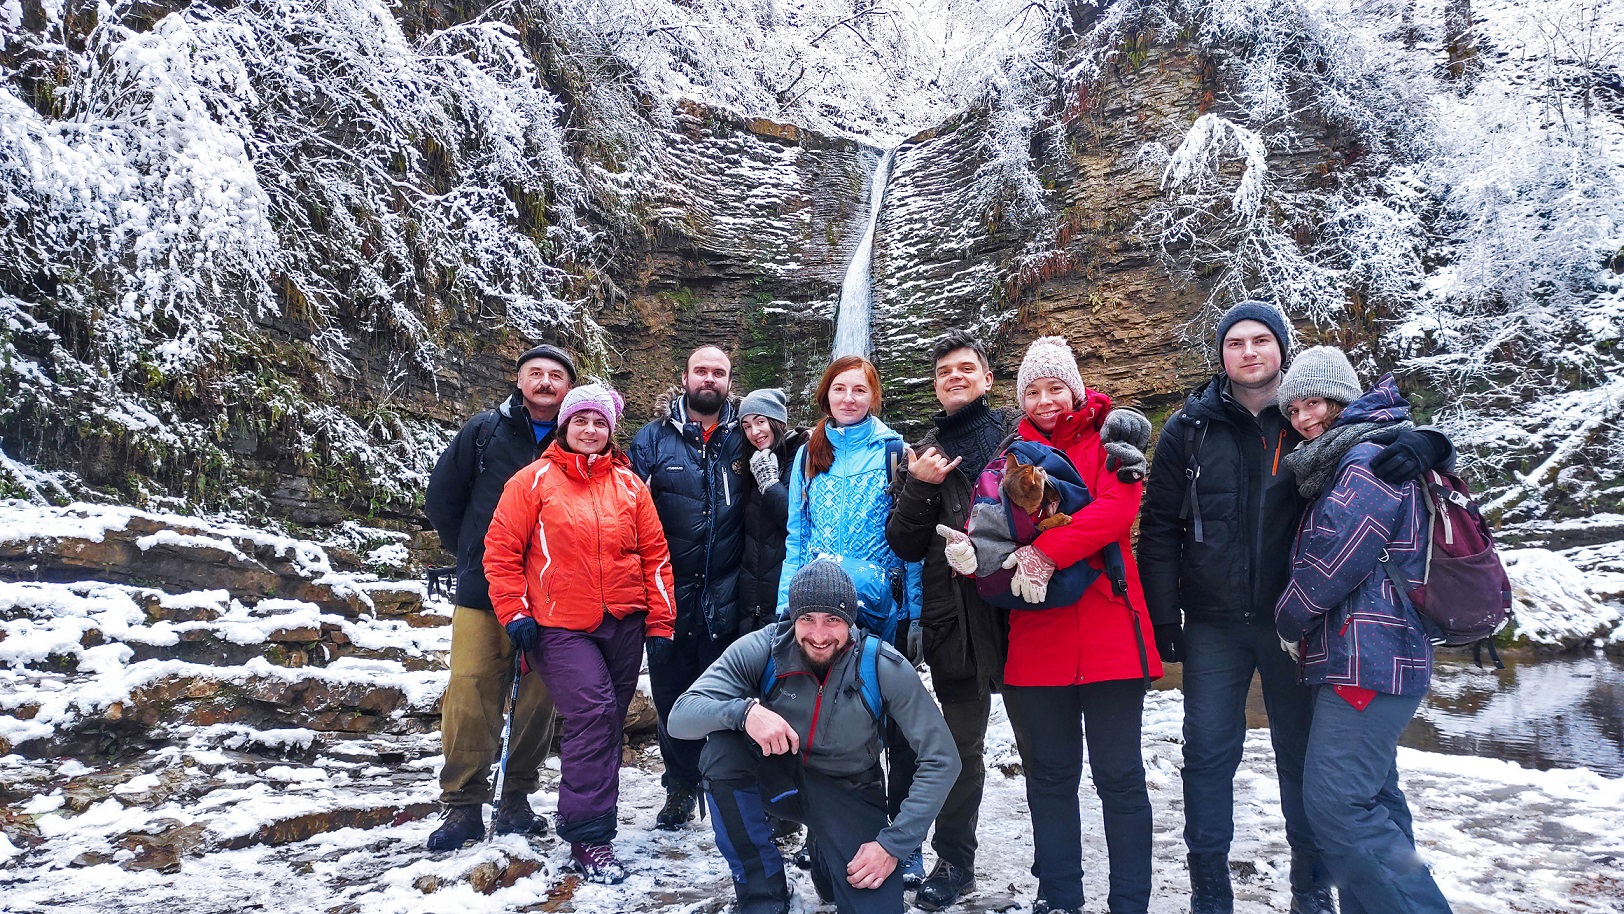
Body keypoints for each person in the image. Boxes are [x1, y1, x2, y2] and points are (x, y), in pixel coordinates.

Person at [1137, 302, 1452, 914]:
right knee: (1207, 755)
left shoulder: (1308, 421)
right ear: (1221, 355)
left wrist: (1431, 444)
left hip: (1301, 624)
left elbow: (1380, 439)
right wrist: (1164, 615)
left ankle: (1312, 890)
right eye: (1234, 342)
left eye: (1261, 340)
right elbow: (1158, 529)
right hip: (1213, 622)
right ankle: (1209, 889)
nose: (1248, 351)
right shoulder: (1190, 428)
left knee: (1304, 760)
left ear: (1282, 349)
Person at [885, 330, 1152, 911]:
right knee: (974, 753)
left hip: (1045, 617)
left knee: (1066, 765)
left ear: (988, 379)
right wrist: (921, 487)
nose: (955, 378)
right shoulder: (926, 452)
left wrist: (1046, 551)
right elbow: (905, 542)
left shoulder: (1029, 435)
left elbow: (1109, 506)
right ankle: (971, 864)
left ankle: (1072, 881)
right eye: (944, 372)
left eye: (966, 368)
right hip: (967, 620)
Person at [669, 560, 961, 914]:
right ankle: (765, 894)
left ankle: (825, 851)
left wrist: (893, 845)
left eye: (832, 620)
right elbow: (681, 716)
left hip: (849, 789)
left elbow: (942, 759)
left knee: (874, 906)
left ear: (850, 621)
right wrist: (744, 713)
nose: (819, 636)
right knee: (722, 751)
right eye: (807, 619)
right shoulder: (765, 648)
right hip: (778, 778)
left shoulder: (882, 666)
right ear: (793, 618)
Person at [1274, 348, 1454, 914]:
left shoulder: (1364, 460)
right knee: (1374, 799)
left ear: (1342, 400)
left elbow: (1333, 560)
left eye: (1314, 404)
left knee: (1338, 806)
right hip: (1380, 653)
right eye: (1294, 410)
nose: (1304, 419)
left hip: (1367, 654)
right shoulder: (1368, 451)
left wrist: (1287, 618)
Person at [484, 383, 677, 883]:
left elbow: (655, 556)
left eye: (599, 423)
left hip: (624, 621)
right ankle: (588, 837)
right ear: (565, 426)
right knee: (592, 715)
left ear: (610, 430)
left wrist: (660, 621)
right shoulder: (533, 481)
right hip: (559, 625)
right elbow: (502, 553)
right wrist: (514, 612)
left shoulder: (630, 486)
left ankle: (592, 820)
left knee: (608, 722)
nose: (590, 430)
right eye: (580, 421)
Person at [775, 355, 925, 881]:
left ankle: (904, 844)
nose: (849, 398)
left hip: (880, 610)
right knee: (824, 727)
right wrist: (785, 606)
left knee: (895, 729)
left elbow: (911, 538)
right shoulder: (808, 453)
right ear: (826, 395)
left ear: (874, 396)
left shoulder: (894, 451)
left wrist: (915, 613)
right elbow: (797, 536)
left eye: (860, 390)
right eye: (840, 389)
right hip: (819, 614)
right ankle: (826, 833)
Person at [421, 344, 575, 850]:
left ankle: (516, 799)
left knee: (538, 697)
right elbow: (442, 498)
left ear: (569, 387)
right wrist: (471, 552)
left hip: (551, 595)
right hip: (482, 590)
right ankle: (463, 803)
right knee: (470, 688)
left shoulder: (578, 438)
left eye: (556, 376)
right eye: (536, 373)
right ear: (519, 379)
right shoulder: (484, 431)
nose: (546, 382)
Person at [630, 345, 749, 829]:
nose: (709, 379)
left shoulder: (747, 437)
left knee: (724, 698)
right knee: (672, 698)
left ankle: (725, 788)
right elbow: (627, 514)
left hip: (728, 594)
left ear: (729, 382)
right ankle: (679, 787)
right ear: (684, 378)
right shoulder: (652, 439)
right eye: (701, 370)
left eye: (718, 372)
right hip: (669, 597)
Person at [738, 388, 810, 636]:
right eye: (747, 426)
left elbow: (797, 522)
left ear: (777, 421)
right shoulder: (752, 460)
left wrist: (770, 484)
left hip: (784, 586)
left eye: (760, 422)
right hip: (751, 593)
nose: (754, 432)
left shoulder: (801, 457)